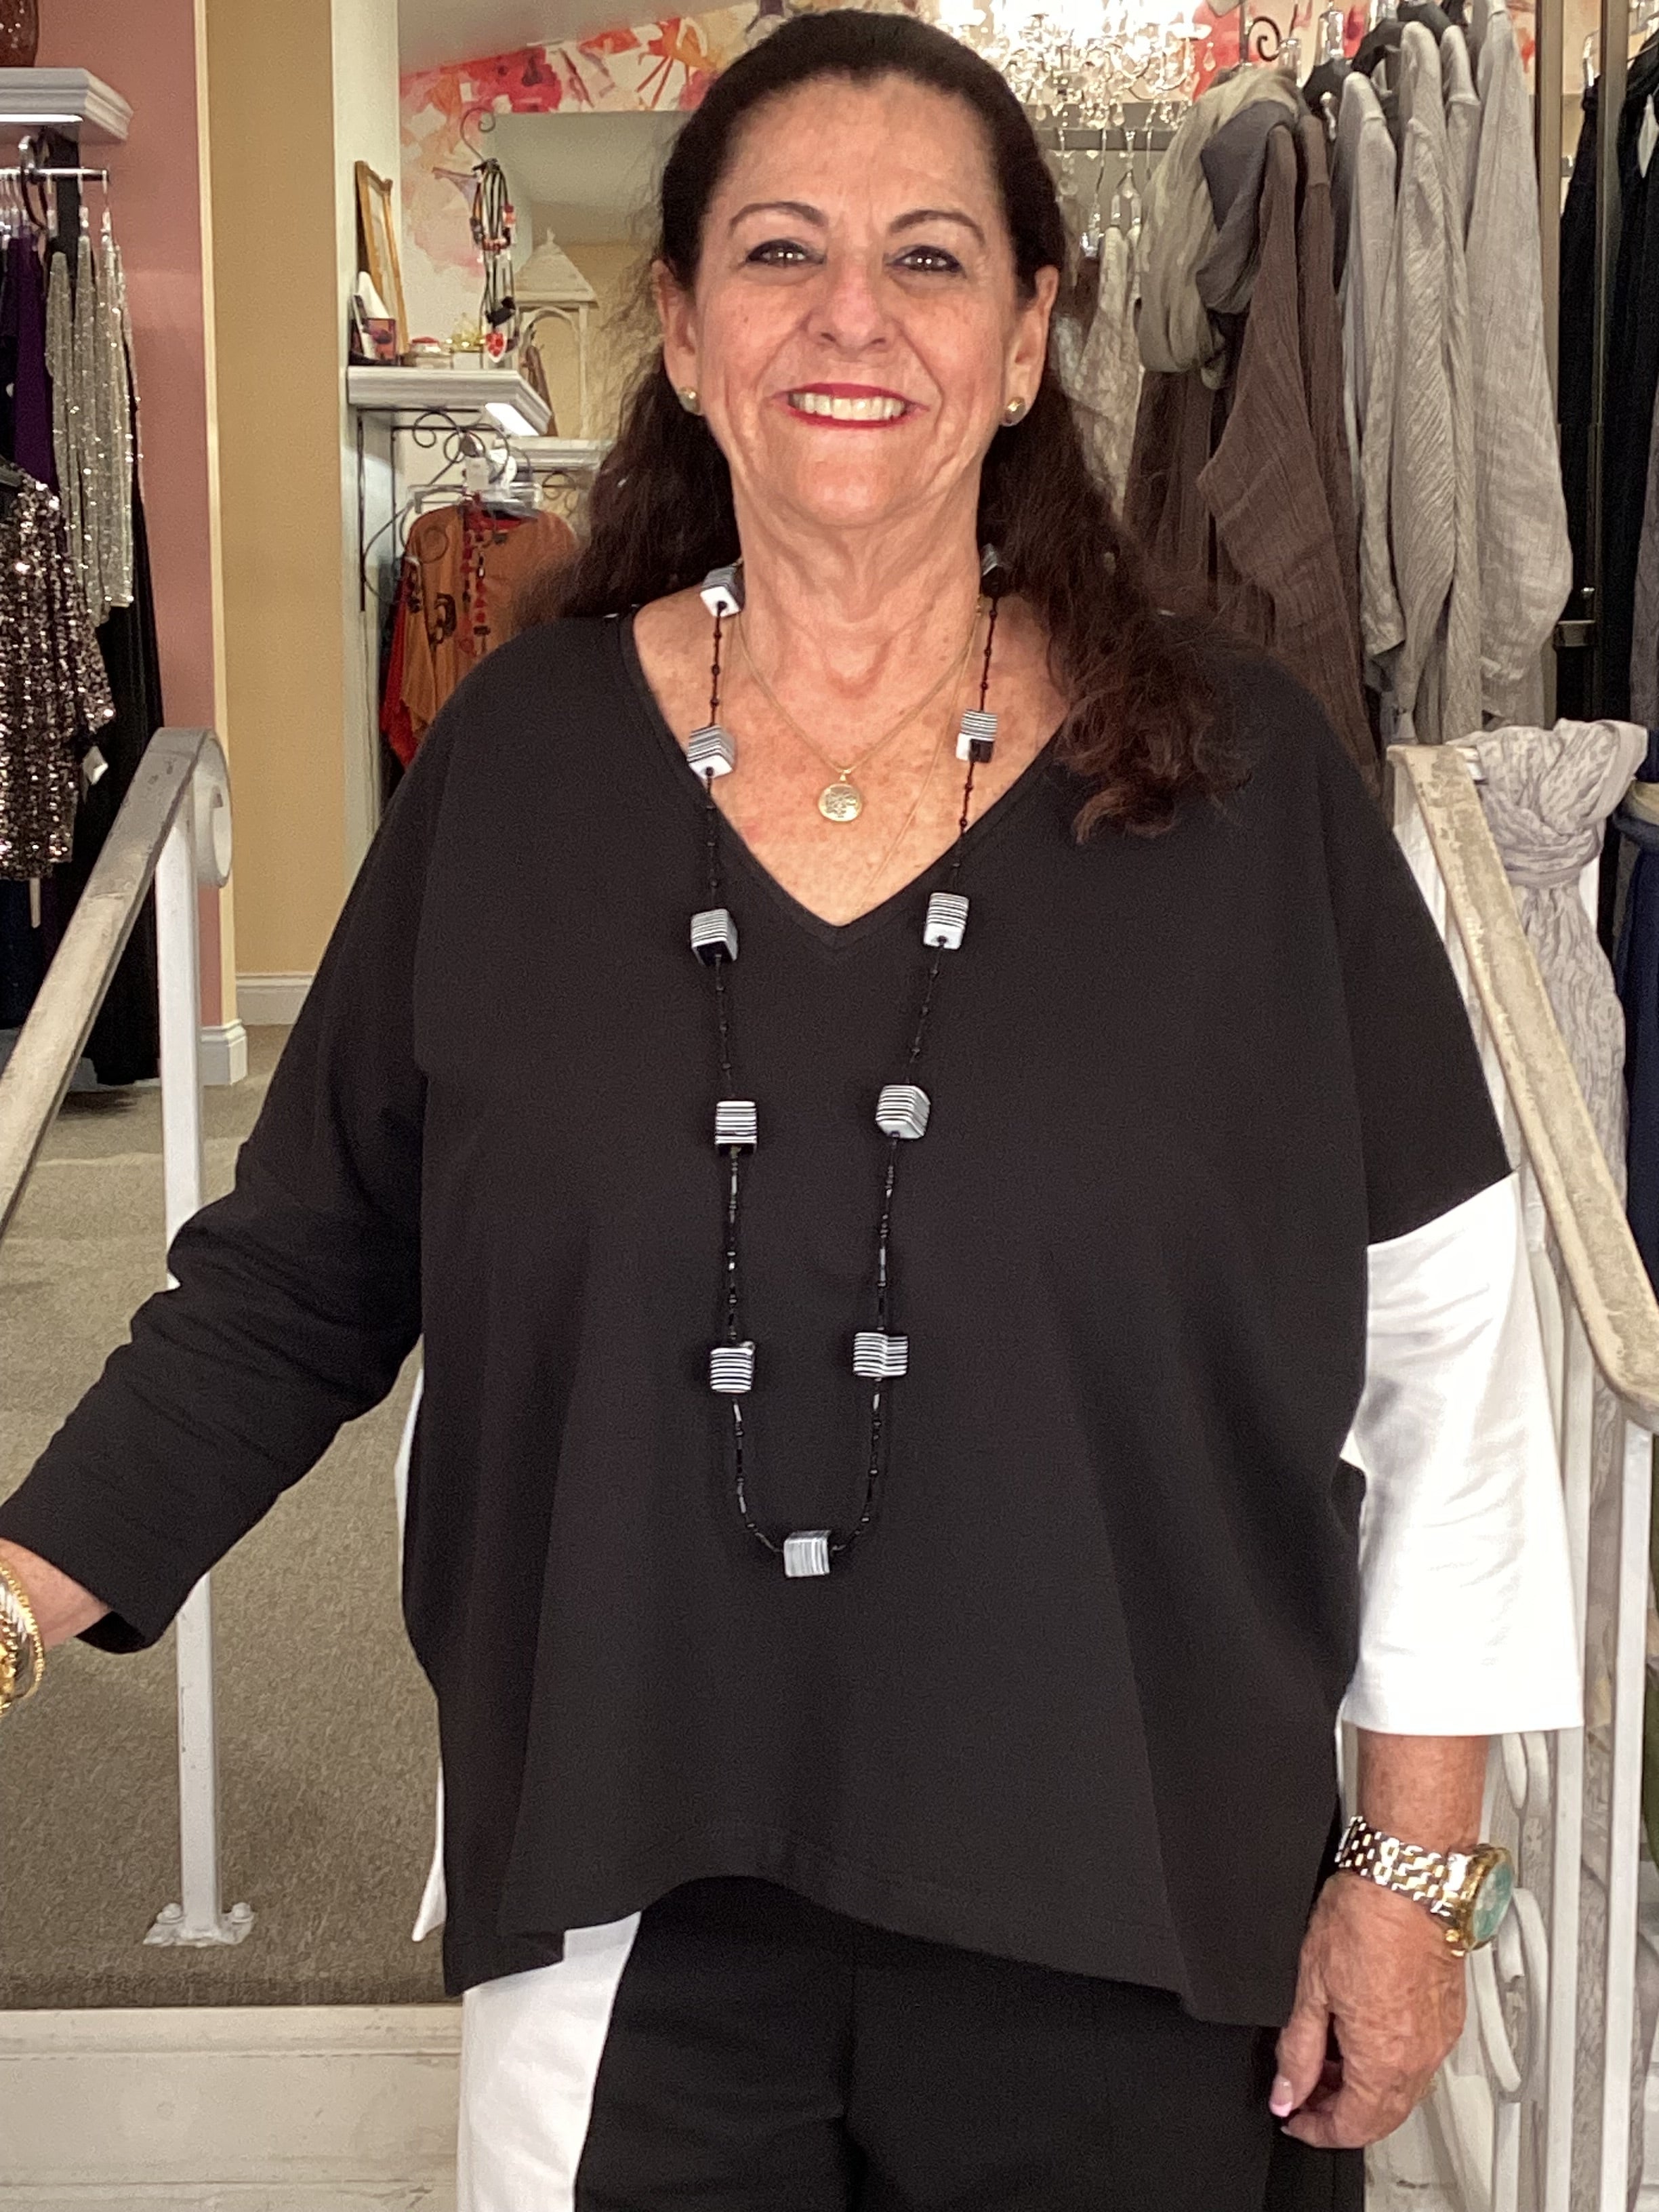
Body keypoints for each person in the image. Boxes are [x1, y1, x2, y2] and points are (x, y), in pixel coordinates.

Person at [0, 13, 1578, 2209]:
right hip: (630, 1898)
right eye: (779, 252)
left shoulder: (1245, 783)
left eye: (930, 258)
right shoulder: (520, 767)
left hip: (1141, 1900)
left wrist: (1416, 1873)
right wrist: (12, 1595)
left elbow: (1447, 1341)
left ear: (1028, 339)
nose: (853, 314)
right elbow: (301, 1270)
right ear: (682, 328)